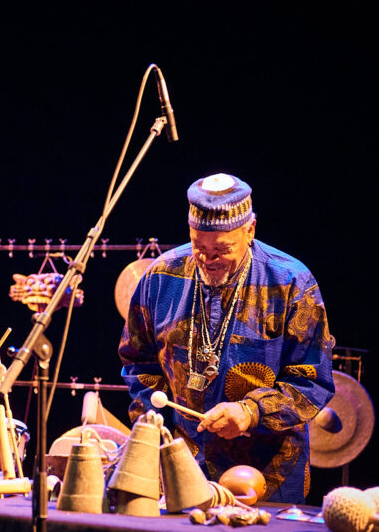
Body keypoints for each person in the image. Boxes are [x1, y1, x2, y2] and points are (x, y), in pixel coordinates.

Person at [118, 173, 335, 503]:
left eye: (222, 249)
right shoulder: (161, 277)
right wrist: (153, 432)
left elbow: (312, 381)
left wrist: (251, 411)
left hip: (268, 477)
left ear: (250, 230)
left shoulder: (291, 282)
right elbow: (138, 362)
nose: (208, 259)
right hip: (180, 468)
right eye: (199, 246)